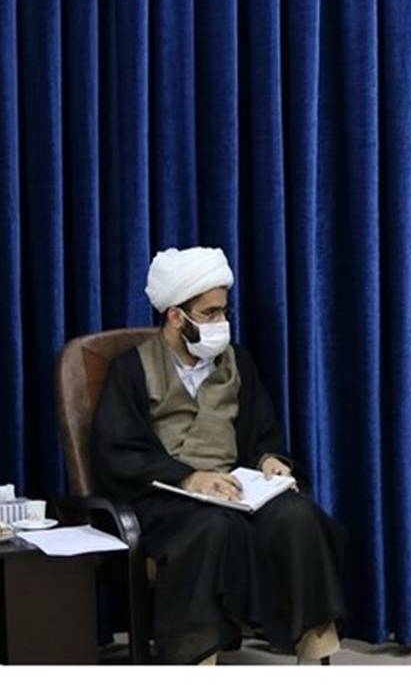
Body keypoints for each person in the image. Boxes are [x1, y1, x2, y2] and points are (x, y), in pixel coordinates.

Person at [90, 246, 346, 665]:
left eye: (224, 311)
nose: (221, 323)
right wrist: (188, 478)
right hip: (165, 497)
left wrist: (269, 461)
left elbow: (262, 430)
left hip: (234, 488)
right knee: (212, 527)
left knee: (297, 515)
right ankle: (198, 660)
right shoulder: (131, 369)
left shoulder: (237, 361)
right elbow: (120, 451)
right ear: (176, 316)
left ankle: (315, 653)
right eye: (209, 314)